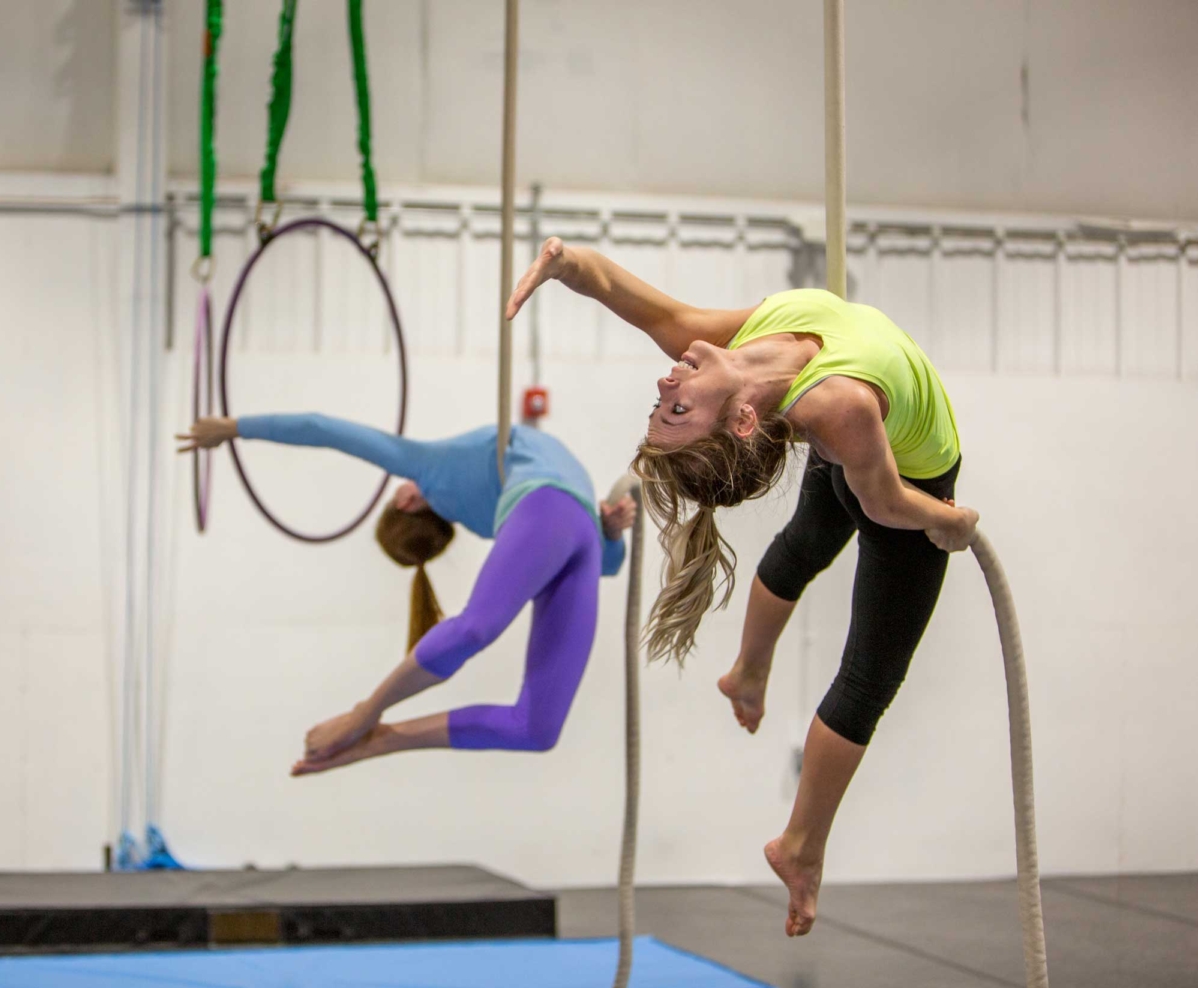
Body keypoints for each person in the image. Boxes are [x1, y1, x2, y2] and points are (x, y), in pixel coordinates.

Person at [507, 237, 979, 938]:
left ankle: (748, 672)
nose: (665, 387)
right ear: (740, 421)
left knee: (805, 544)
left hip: (853, 452)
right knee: (869, 676)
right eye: (676, 411)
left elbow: (636, 300)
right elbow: (884, 502)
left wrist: (563, 265)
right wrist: (948, 519)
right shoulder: (840, 405)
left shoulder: (733, 353)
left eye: (659, 407)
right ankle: (800, 847)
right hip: (904, 476)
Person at [176, 413, 636, 776]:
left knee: (521, 704)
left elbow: (604, 562)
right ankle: (380, 731)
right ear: (406, 502)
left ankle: (368, 720)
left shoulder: (479, 503)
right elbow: (327, 428)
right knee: (512, 689)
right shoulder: (432, 474)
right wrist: (233, 428)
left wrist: (237, 429)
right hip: (569, 527)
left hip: (566, 526)